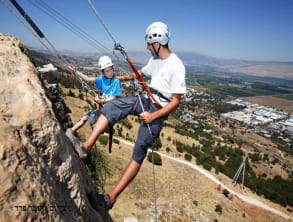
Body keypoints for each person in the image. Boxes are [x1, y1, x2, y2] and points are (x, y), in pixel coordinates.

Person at [76, 21, 186, 210]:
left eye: (148, 44)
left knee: (138, 152)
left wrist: (153, 117)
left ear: (157, 43)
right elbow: (139, 74)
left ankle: (110, 198)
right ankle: (86, 146)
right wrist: (114, 79)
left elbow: (176, 101)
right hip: (144, 99)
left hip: (157, 110)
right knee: (112, 106)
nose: (146, 47)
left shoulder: (176, 65)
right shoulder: (156, 61)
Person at [65, 56, 122, 151]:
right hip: (103, 108)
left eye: (111, 70)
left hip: (111, 110)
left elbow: (114, 97)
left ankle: (84, 148)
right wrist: (75, 71)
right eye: (107, 71)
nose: (110, 72)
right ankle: (70, 131)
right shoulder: (102, 79)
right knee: (84, 118)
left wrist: (102, 100)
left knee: (97, 130)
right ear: (103, 72)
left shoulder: (116, 81)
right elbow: (88, 79)